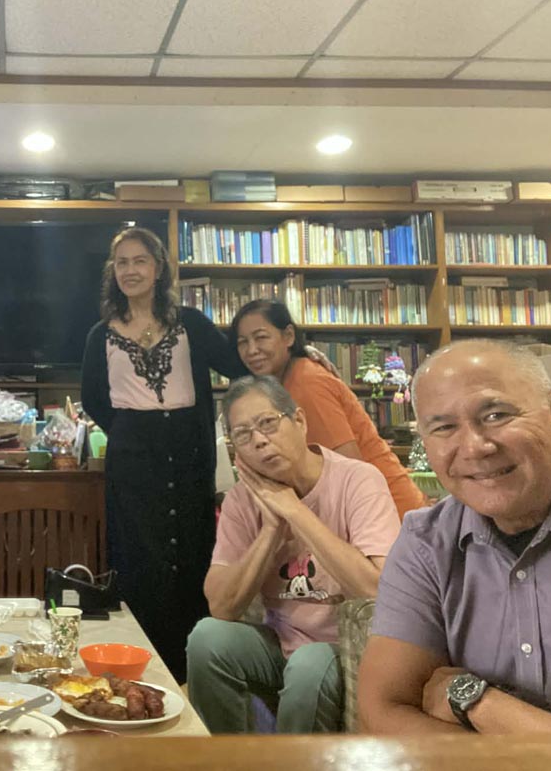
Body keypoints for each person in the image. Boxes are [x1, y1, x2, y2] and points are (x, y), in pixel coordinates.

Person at [358, 339, 551, 734]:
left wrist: (477, 702)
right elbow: (383, 711)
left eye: (495, 415)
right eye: (444, 427)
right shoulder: (427, 542)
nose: (475, 447)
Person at [81, 227, 249, 681]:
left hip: (189, 453)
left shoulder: (191, 323)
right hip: (132, 460)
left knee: (192, 552)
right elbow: (94, 398)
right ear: (113, 273)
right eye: (122, 263)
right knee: (140, 558)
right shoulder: (100, 335)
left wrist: (297, 353)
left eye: (140, 261)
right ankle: (141, 670)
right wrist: (132, 432)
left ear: (158, 268)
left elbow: (237, 365)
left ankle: (192, 672)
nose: (130, 270)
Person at [187, 376, 400, 733]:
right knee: (207, 638)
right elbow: (222, 608)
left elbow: (378, 590)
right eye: (243, 434)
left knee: (308, 666)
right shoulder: (242, 500)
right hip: (279, 640)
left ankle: (290, 760)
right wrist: (271, 530)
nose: (259, 440)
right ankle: (228, 756)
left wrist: (295, 511)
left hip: (344, 647)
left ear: (299, 421)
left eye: (267, 423)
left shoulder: (359, 480)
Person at [231, 300, 425, 519]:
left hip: (385, 513)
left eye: (261, 337)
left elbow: (349, 470)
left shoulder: (306, 382)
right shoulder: (283, 383)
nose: (252, 350)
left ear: (288, 336)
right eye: (242, 342)